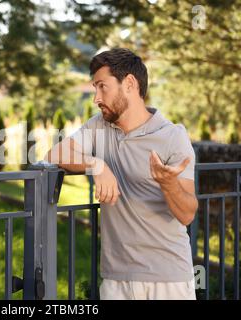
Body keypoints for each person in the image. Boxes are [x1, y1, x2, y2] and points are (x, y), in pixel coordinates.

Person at [46, 48, 198, 300]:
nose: (96, 97)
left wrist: (169, 184)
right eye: (95, 87)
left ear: (129, 83)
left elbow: (187, 214)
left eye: (102, 87)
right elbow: (54, 155)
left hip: (168, 279)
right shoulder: (99, 126)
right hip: (116, 281)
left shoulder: (173, 136)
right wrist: (97, 165)